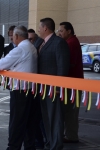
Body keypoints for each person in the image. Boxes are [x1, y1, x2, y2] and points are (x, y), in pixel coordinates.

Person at [0, 25, 38, 150]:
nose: (11, 39)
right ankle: (29, 146)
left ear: (16, 36)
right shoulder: (32, 47)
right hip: (31, 89)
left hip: (20, 90)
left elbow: (3, 63)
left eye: (12, 36)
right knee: (29, 121)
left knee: (17, 121)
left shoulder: (19, 49)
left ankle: (13, 147)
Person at [38, 18, 70, 150]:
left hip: (53, 89)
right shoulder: (42, 43)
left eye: (40, 27)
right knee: (47, 117)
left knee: (55, 118)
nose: (39, 29)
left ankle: (56, 145)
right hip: (43, 87)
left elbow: (62, 66)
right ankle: (50, 141)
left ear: (45, 28)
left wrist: (58, 87)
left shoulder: (58, 43)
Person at [58, 22, 84, 143]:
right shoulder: (71, 42)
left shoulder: (71, 43)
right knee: (69, 111)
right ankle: (69, 134)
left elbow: (70, 63)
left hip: (73, 83)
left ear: (69, 31)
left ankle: (71, 136)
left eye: (62, 31)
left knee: (71, 111)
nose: (59, 33)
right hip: (72, 82)